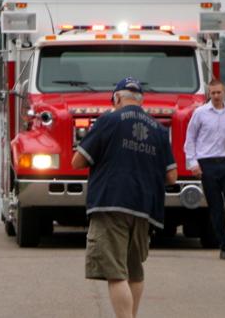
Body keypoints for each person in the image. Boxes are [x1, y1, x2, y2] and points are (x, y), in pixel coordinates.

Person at [72, 77, 177, 318]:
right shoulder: (159, 130)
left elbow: (77, 161)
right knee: (134, 270)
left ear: (117, 98)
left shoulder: (107, 120)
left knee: (115, 273)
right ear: (141, 100)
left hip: (111, 202)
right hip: (145, 207)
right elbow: (171, 176)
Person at [184, 79, 225, 260]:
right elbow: (190, 138)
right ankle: (224, 247)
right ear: (209, 94)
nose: (215, 96)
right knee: (216, 208)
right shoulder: (200, 113)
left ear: (224, 93)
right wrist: (193, 163)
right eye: (212, 93)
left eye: (218, 93)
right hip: (206, 164)